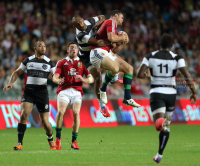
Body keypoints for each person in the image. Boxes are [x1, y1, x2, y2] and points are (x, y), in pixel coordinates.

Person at [136, 34, 197, 163]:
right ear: (171, 45)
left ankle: (160, 121)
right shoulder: (177, 58)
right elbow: (186, 75)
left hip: (157, 92)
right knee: (166, 127)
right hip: (171, 94)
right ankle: (159, 155)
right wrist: (194, 92)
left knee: (158, 124)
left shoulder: (150, 56)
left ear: (159, 44)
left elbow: (139, 74)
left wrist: (148, 73)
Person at [3, 41, 56, 150]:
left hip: (42, 93)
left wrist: (57, 79)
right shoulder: (28, 60)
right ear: (35, 48)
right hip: (29, 92)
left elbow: (55, 75)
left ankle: (50, 138)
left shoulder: (49, 62)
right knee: (24, 114)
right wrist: (10, 82)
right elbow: (17, 72)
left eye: (44, 46)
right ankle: (19, 143)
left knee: (45, 123)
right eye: (40, 45)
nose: (43, 48)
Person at [72, 15, 122, 117]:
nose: (80, 25)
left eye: (80, 22)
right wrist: (113, 39)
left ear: (83, 19)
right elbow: (97, 42)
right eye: (77, 25)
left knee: (113, 53)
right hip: (86, 56)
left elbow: (103, 17)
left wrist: (97, 24)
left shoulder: (89, 20)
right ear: (75, 26)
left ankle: (114, 76)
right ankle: (102, 105)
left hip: (95, 50)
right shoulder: (81, 35)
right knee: (98, 76)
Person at [89, 10, 140, 108]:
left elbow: (115, 50)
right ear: (115, 15)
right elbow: (111, 38)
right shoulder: (110, 22)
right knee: (115, 69)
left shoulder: (114, 30)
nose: (123, 20)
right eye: (122, 17)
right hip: (97, 52)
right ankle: (103, 88)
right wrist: (122, 38)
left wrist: (124, 43)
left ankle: (127, 97)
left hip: (107, 52)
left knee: (129, 68)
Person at [52, 42, 94, 150]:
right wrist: (58, 80)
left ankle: (74, 141)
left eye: (75, 48)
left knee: (76, 113)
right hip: (64, 91)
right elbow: (54, 77)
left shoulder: (82, 63)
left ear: (78, 51)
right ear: (68, 50)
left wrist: (84, 79)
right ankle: (58, 138)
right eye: (71, 48)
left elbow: (91, 78)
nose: (73, 49)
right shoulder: (61, 62)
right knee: (61, 111)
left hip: (76, 92)